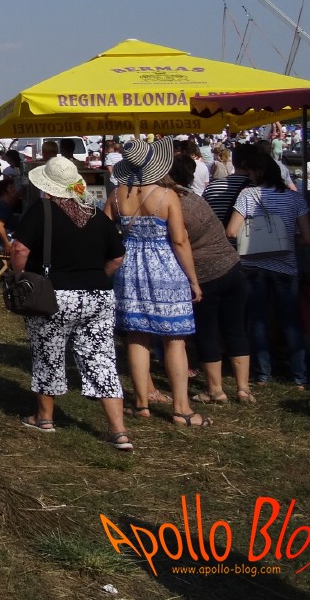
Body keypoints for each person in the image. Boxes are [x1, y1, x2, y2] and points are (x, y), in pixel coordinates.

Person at [8, 157, 130, 448]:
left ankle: (45, 417)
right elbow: (117, 256)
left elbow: (20, 248)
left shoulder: (42, 211)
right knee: (101, 359)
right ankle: (118, 430)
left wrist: (18, 277)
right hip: (98, 295)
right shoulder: (95, 214)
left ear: (47, 187)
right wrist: (97, 276)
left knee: (48, 352)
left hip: (55, 294)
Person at [108, 138, 208, 428]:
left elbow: (105, 231)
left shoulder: (117, 194)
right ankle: (181, 408)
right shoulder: (167, 195)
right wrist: (193, 280)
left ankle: (142, 403)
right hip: (165, 268)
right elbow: (180, 240)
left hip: (129, 268)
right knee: (174, 338)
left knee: (137, 336)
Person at [169, 154, 252, 404]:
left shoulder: (173, 204)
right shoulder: (194, 197)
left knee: (208, 331)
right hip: (232, 266)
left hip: (206, 273)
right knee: (235, 328)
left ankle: (215, 390)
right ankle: (243, 388)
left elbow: (179, 241)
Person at [227, 153, 310, 389]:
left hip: (253, 266)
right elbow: (308, 238)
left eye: (251, 172)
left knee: (257, 320)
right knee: (290, 320)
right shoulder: (295, 198)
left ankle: (262, 374)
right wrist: (283, 240)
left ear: (259, 173)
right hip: (286, 266)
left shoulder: (247, 195)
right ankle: (299, 376)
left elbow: (232, 231)